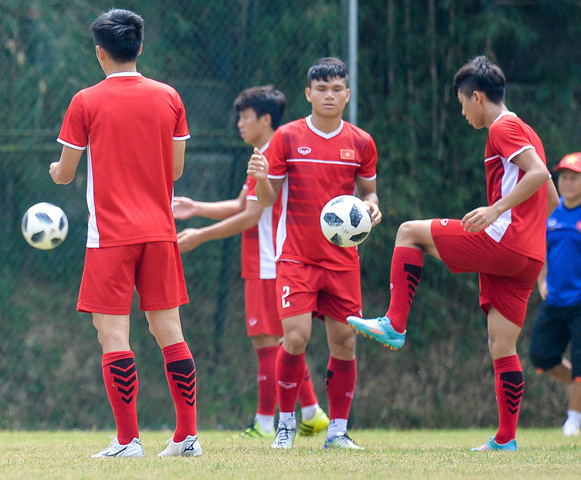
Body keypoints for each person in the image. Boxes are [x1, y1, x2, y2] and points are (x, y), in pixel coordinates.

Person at [347, 55, 557, 451]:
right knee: (502, 345)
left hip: (503, 240)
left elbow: (539, 175)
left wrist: (495, 210)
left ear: (478, 97)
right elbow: (549, 193)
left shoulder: (503, 127)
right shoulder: (528, 129)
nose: (462, 112)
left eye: (462, 103)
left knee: (408, 232)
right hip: (526, 255)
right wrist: (545, 252)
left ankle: (395, 323)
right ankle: (505, 440)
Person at [49, 8, 201, 458]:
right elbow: (175, 170)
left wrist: (56, 170)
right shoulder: (169, 97)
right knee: (168, 329)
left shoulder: (86, 101)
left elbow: (66, 174)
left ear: (100, 52)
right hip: (160, 231)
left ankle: (127, 440)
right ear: (140, 47)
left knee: (113, 335)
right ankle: (187, 436)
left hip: (110, 235)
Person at [172, 85, 329, 440]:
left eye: (245, 117)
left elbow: (250, 217)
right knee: (281, 341)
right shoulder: (265, 151)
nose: (239, 124)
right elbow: (242, 205)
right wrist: (196, 208)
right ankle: (310, 411)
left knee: (268, 342)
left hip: (270, 260)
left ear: (265, 119)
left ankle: (265, 421)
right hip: (266, 259)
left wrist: (201, 235)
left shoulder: (273, 152)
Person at [248, 57, 381, 450]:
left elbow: (369, 191)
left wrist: (372, 206)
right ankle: (286, 424)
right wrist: (259, 180)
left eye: (336, 89)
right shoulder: (287, 137)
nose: (329, 95)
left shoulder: (361, 142)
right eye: (321, 89)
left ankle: (337, 432)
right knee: (295, 336)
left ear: (347, 94)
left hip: (342, 260)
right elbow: (268, 198)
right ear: (308, 94)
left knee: (344, 342)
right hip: (296, 258)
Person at [529, 152, 581, 437]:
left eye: (574, 177)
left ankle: (573, 422)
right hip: (555, 301)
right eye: (564, 176)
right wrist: (542, 281)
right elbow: (540, 249)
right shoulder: (552, 212)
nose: (568, 182)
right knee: (541, 356)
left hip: (580, 303)